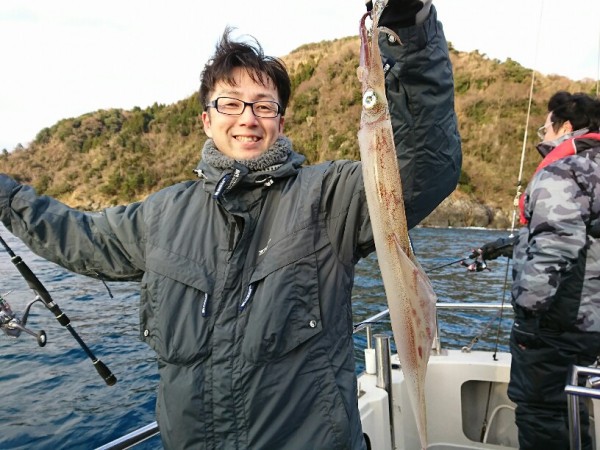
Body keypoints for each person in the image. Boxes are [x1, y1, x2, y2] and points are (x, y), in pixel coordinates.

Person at [0, 1, 461, 448]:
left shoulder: (330, 197)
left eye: (264, 106)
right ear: (206, 120)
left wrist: (408, 23)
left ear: (280, 122)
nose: (248, 118)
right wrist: (7, 197)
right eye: (231, 104)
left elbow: (424, 167)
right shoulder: (160, 216)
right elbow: (77, 237)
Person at [476, 91, 600, 449]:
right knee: (569, 414)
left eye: (545, 128)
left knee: (541, 416)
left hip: (556, 327)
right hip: (589, 324)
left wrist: (527, 313)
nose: (542, 136)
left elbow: (556, 244)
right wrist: (502, 248)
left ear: (566, 127)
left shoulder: (564, 170)